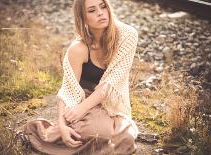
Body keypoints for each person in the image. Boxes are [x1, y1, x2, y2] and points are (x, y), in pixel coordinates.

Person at [23, 0, 139, 154]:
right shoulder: (78, 49)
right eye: (92, 10)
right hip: (84, 99)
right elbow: (68, 89)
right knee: (102, 135)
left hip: (111, 102)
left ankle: (92, 133)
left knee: (126, 139)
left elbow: (110, 83)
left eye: (103, 6)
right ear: (82, 18)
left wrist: (80, 109)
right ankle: (45, 133)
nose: (100, 12)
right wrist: (63, 125)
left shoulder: (127, 35)